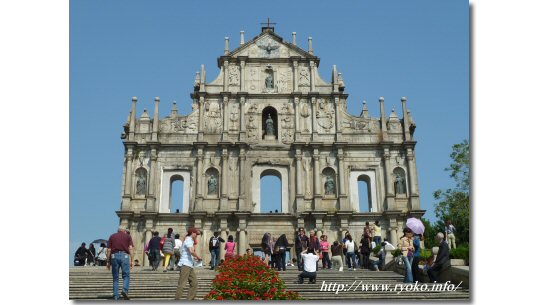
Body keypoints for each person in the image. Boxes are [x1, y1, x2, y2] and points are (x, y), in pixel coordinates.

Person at [107, 227, 134, 300]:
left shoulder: (112, 236)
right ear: (124, 231)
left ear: (118, 230)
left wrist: (108, 261)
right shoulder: (128, 236)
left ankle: (116, 295)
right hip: (124, 256)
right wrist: (132, 260)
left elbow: (109, 250)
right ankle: (125, 290)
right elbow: (131, 248)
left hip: (114, 256)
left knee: (115, 277)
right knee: (126, 275)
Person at [175, 227, 201, 300]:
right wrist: (198, 257)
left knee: (194, 284)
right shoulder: (189, 239)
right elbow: (191, 251)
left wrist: (194, 258)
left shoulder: (190, 241)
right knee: (182, 284)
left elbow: (188, 253)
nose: (197, 235)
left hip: (189, 265)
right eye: (196, 234)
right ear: (192, 233)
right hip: (185, 265)